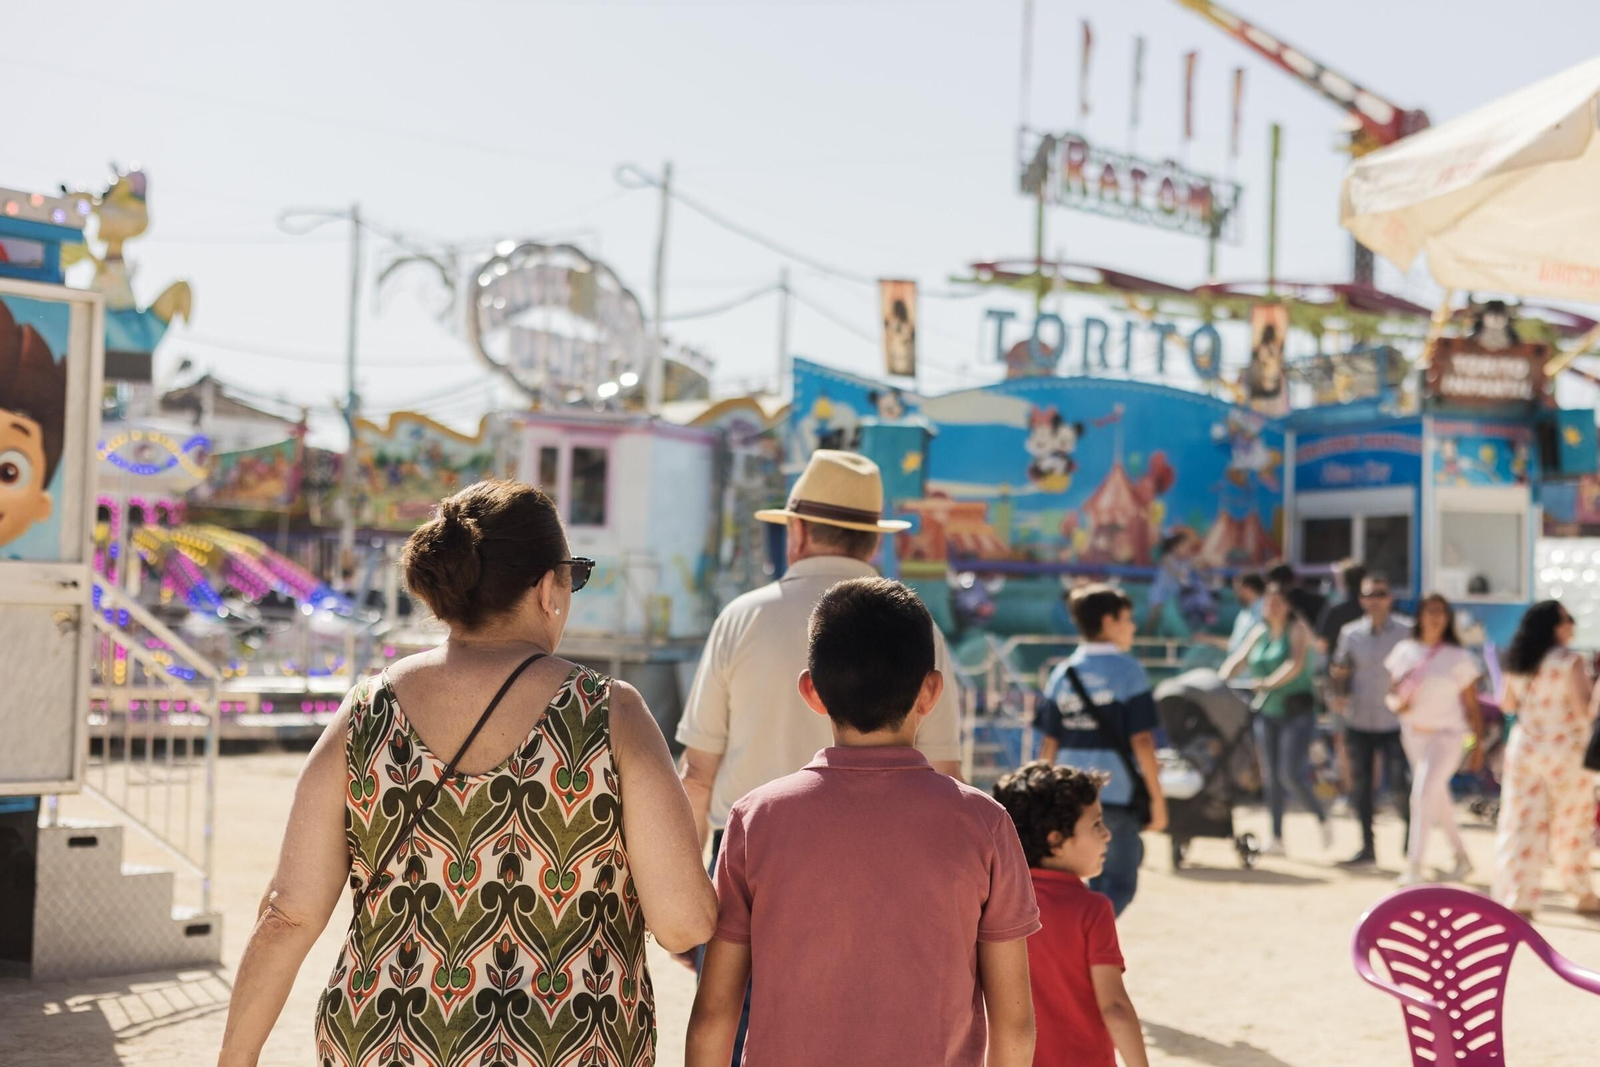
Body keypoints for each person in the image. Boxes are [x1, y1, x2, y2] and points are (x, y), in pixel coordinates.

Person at [217, 481, 717, 1067]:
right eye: (574, 576)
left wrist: (235, 1058)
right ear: (547, 589)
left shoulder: (367, 711)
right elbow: (682, 924)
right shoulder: (609, 712)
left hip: (382, 1041)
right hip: (565, 1045)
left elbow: (287, 915)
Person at [676, 449, 962, 1058]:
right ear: (874, 542)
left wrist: (690, 898)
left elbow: (697, 774)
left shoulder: (742, 618)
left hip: (750, 861)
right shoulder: (917, 632)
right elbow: (947, 776)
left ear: (797, 532)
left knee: (739, 1026)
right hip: (890, 866)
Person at [686, 578, 1040, 1067]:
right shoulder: (985, 823)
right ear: (931, 691)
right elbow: (1014, 1024)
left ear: (812, 691)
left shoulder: (755, 819)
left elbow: (713, 1015)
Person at [992, 762, 1152, 1067]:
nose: (1107, 835)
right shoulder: (1091, 909)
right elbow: (1115, 1007)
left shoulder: (994, 903)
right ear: (1056, 841)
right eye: (1096, 824)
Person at [1036, 584, 1167, 915]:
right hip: (1116, 793)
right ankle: (1088, 937)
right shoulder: (1130, 671)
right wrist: (1157, 798)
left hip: (1068, 796)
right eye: (1128, 619)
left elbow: (1049, 743)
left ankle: (1079, 936)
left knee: (1080, 880)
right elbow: (1142, 741)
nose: (1133, 627)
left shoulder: (1061, 674)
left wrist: (1043, 797)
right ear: (1109, 622)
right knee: (1120, 882)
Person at [1493, 600, 1600, 919]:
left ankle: (1520, 896)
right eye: (1567, 620)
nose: (1571, 625)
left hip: (1525, 748)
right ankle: (1580, 892)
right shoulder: (1569, 661)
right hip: (1566, 751)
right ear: (1553, 626)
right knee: (1571, 824)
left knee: (1522, 823)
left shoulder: (1519, 660)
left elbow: (1507, 704)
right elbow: (1583, 710)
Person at [1222, 581, 1332, 857]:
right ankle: (1277, 836)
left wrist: (1268, 683)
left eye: (1278, 602)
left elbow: (1295, 664)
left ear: (1287, 606)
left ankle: (1321, 818)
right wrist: (1219, 681)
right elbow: (1238, 660)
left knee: (1289, 774)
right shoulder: (1259, 632)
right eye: (1269, 602)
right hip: (1267, 712)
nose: (1272, 607)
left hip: (1297, 713)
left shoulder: (1298, 629)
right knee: (1270, 777)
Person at [1384, 593, 1487, 887]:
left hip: (1447, 736)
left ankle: (1414, 864)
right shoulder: (1404, 650)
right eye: (1430, 611)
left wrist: (1477, 745)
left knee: (1422, 794)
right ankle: (1462, 858)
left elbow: (1472, 706)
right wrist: (1398, 705)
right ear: (1420, 615)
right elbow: (1392, 691)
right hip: (1413, 734)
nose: (1435, 617)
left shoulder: (1458, 656)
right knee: (1437, 799)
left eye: (1440, 611)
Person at [1328, 574, 1412, 867]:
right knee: (1361, 788)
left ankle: (1411, 841)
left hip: (1395, 720)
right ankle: (1367, 847)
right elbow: (1340, 670)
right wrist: (1338, 690)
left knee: (1399, 782)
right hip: (1360, 718)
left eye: (1381, 594)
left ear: (1390, 598)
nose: (1375, 600)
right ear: (1362, 600)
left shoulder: (1407, 630)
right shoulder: (1350, 633)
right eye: (1369, 595)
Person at [1145, 528, 1215, 636]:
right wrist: (1183, 573)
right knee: (1155, 614)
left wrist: (1203, 566)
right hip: (1161, 592)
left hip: (1175, 594)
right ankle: (1148, 636)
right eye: (1184, 546)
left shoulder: (1187, 560)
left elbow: (1200, 566)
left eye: (1188, 547)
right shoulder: (1167, 558)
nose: (1186, 550)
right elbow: (1174, 571)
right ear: (1175, 547)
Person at [1316, 561, 1367, 656]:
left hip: (1338, 662)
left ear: (1343, 580)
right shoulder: (1372, 607)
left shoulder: (1334, 607)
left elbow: (1322, 643)